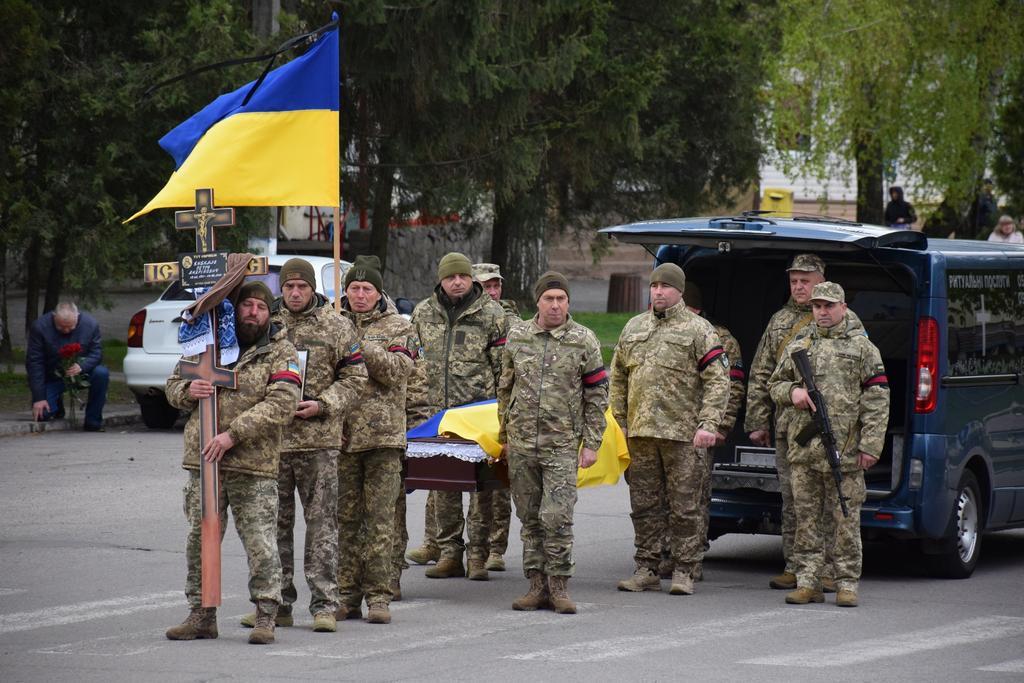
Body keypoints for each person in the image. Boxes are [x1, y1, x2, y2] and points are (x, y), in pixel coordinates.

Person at [164, 281, 300, 645]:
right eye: (247, 306)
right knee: (200, 538)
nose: (253, 312)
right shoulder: (208, 342)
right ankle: (201, 614)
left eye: (261, 307)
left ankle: (266, 614)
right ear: (235, 309)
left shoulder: (280, 350)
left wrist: (233, 434)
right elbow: (174, 383)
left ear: (270, 313)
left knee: (260, 542)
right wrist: (186, 391)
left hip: (251, 462)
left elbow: (283, 402)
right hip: (204, 460)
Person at [237, 259, 366, 634]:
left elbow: (355, 376)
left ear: (312, 289)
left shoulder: (337, 326)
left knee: (322, 526)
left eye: (302, 287)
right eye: (289, 287)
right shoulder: (267, 324)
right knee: (273, 527)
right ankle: (276, 603)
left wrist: (325, 403)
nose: (295, 293)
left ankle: (325, 604)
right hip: (272, 443)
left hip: (318, 441)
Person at [768, 282, 889, 607]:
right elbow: (775, 383)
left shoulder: (863, 349)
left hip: (845, 450)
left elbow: (877, 399)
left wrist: (870, 446)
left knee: (844, 521)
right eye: (817, 306)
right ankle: (808, 581)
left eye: (828, 306)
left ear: (843, 307)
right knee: (806, 520)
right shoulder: (800, 345)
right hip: (804, 451)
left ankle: (846, 581)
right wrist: (792, 393)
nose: (822, 312)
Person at [610, 264, 729, 596]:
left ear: (679, 291)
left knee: (684, 506)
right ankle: (646, 567)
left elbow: (718, 381)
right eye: (654, 286)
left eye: (665, 286)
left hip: (683, 436)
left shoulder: (699, 330)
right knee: (644, 505)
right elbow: (618, 376)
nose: (658, 291)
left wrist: (708, 424)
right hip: (640, 434)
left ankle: (684, 569)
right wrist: (619, 421)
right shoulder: (634, 328)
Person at [498, 271, 608, 613]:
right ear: (538, 302)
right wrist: (504, 436)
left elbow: (597, 394)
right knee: (530, 517)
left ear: (568, 303)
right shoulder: (517, 336)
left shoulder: (583, 340)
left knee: (557, 516)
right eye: (549, 299)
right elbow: (505, 387)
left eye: (561, 299)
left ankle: (559, 586)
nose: (556, 305)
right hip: (521, 444)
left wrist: (591, 443)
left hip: (561, 445)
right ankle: (536, 586)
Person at [406, 252, 508, 581]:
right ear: (441, 280)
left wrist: (499, 413)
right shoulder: (423, 313)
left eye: (463, 276)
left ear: (471, 279)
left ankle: (478, 554)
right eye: (451, 277)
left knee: (482, 488)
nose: (457, 282)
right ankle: (450, 552)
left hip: (478, 415)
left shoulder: (492, 314)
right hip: (438, 416)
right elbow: (412, 362)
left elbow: (504, 369)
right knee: (443, 486)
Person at [745, 254, 844, 592]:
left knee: (831, 500)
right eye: (794, 281)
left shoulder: (842, 320)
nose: (799, 287)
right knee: (793, 498)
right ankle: (796, 565)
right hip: (790, 427)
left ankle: (831, 569)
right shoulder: (780, 321)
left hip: (833, 428)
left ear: (821, 279)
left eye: (806, 280)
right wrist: (758, 421)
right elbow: (761, 373)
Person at [336, 255, 418, 625]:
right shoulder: (332, 324)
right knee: (346, 520)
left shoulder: (399, 327)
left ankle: (379, 596)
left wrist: (360, 344)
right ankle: (346, 594)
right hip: (341, 437)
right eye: (354, 288)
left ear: (378, 291)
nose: (360, 294)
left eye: (367, 288)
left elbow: (398, 371)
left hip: (383, 438)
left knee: (381, 519)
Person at [681, 281, 745, 581]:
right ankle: (666, 553)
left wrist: (721, 425)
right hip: (664, 429)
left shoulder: (720, 338)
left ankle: (690, 557)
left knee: (695, 496)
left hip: (699, 429)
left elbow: (732, 385)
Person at [469, 262, 520, 572]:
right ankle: (445, 544)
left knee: (499, 482)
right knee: (465, 482)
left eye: (495, 285)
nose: (492, 291)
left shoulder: (511, 321)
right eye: (485, 286)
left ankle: (496, 547)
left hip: (498, 409)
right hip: (469, 411)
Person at [26, 301, 110, 431]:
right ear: (54, 317)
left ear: (77, 317)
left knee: (101, 373)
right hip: (53, 375)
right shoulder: (40, 327)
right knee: (42, 415)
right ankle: (56, 406)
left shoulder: (90, 325)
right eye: (61, 327)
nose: (65, 331)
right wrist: (39, 398)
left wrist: (82, 366)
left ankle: (93, 420)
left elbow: (97, 353)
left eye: (70, 327)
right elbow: (34, 363)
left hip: (81, 373)